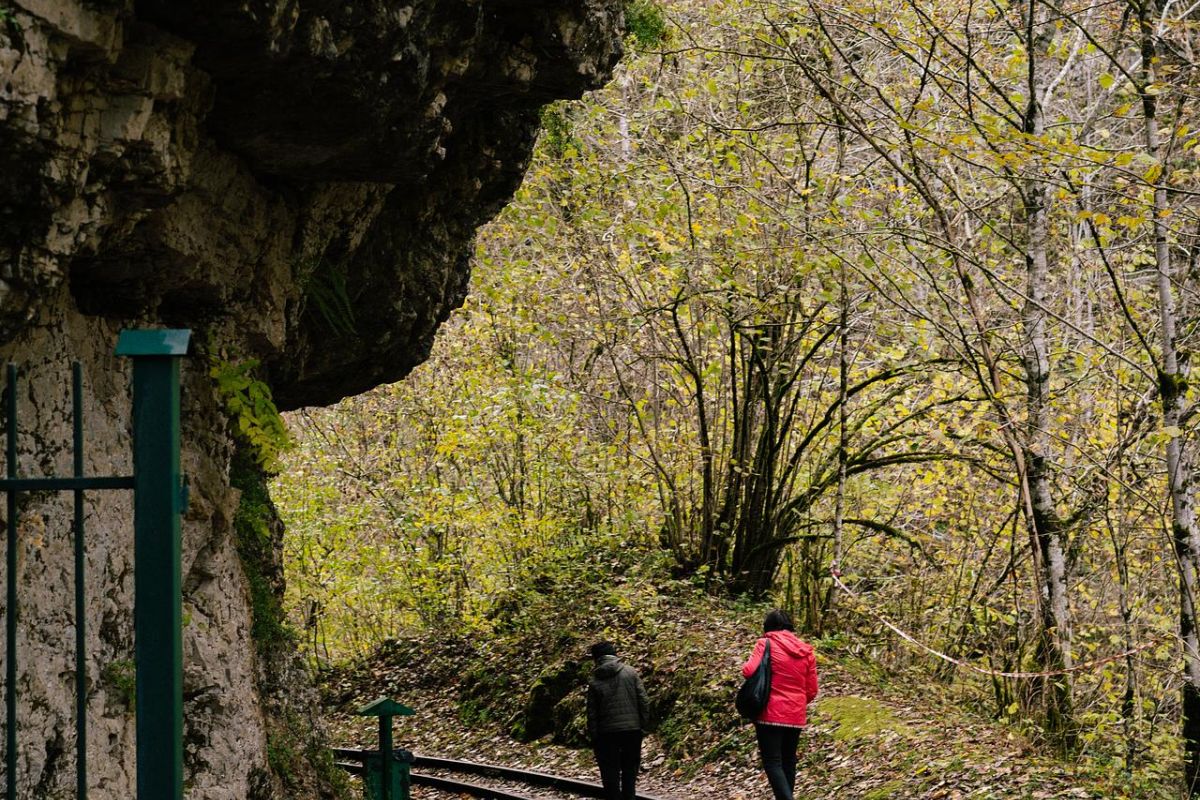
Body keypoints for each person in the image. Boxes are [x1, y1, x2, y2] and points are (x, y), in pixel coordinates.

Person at [741, 609, 818, 800]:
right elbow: (812, 689)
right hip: (796, 714)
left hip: (770, 712)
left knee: (773, 761)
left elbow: (748, 671)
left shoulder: (765, 643)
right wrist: (797, 703)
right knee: (788, 761)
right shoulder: (806, 651)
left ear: (768, 626)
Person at [586, 641, 650, 800]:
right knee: (629, 771)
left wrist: (594, 737)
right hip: (632, 730)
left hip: (606, 734)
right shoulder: (630, 672)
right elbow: (644, 701)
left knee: (610, 774)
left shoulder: (595, 681)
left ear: (597, 659)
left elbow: (592, 714)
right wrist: (642, 725)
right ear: (614, 654)